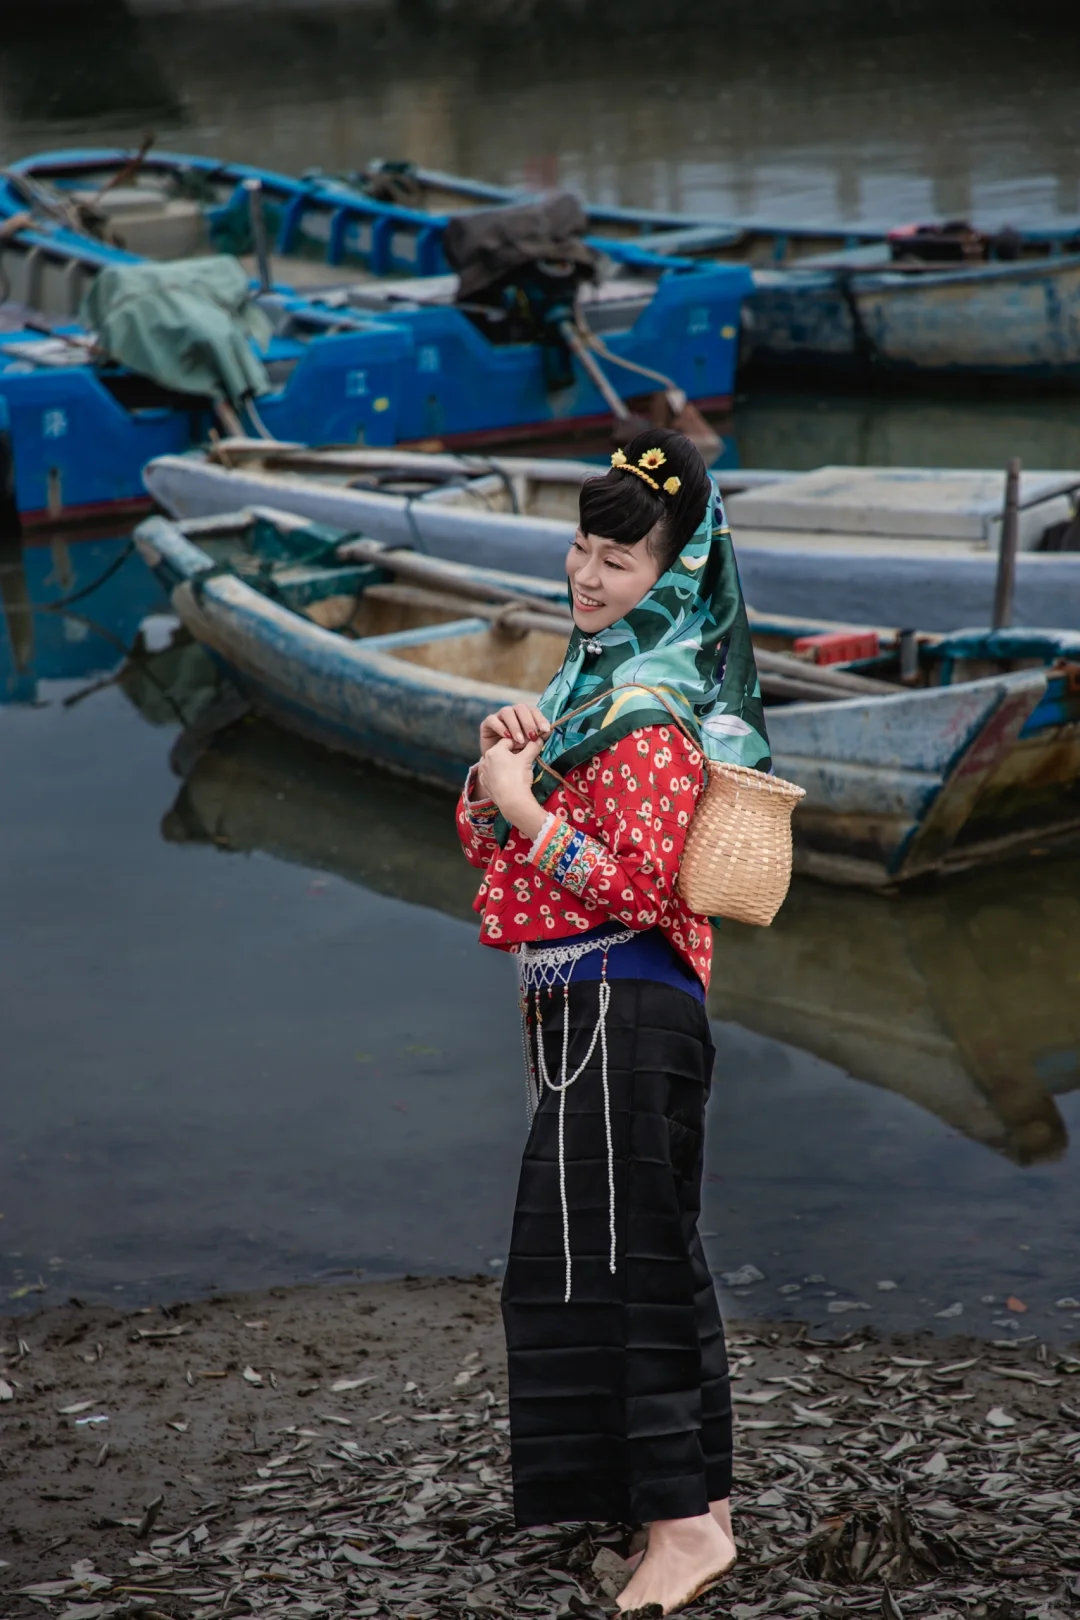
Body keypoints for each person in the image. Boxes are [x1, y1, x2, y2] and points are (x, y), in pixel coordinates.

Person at [454, 427, 771, 1616]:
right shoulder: (588, 688)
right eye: (582, 550)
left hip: (621, 1005)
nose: (588, 579)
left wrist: (525, 801)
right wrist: (505, 768)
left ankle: (681, 1529)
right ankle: (703, 1504)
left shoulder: (644, 710)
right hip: (611, 1010)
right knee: (653, 1257)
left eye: (620, 565)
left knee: (612, 1261)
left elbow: (642, 885)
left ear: (674, 577)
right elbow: (501, 838)